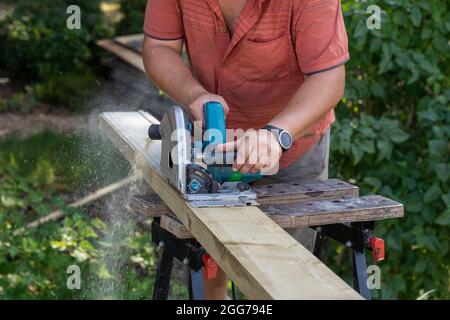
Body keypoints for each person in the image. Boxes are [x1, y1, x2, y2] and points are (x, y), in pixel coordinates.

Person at [142, 0, 349, 300]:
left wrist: (275, 135)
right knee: (207, 270)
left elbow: (329, 79)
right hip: (210, 147)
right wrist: (194, 95)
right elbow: (159, 48)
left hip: (291, 145)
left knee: (283, 280)